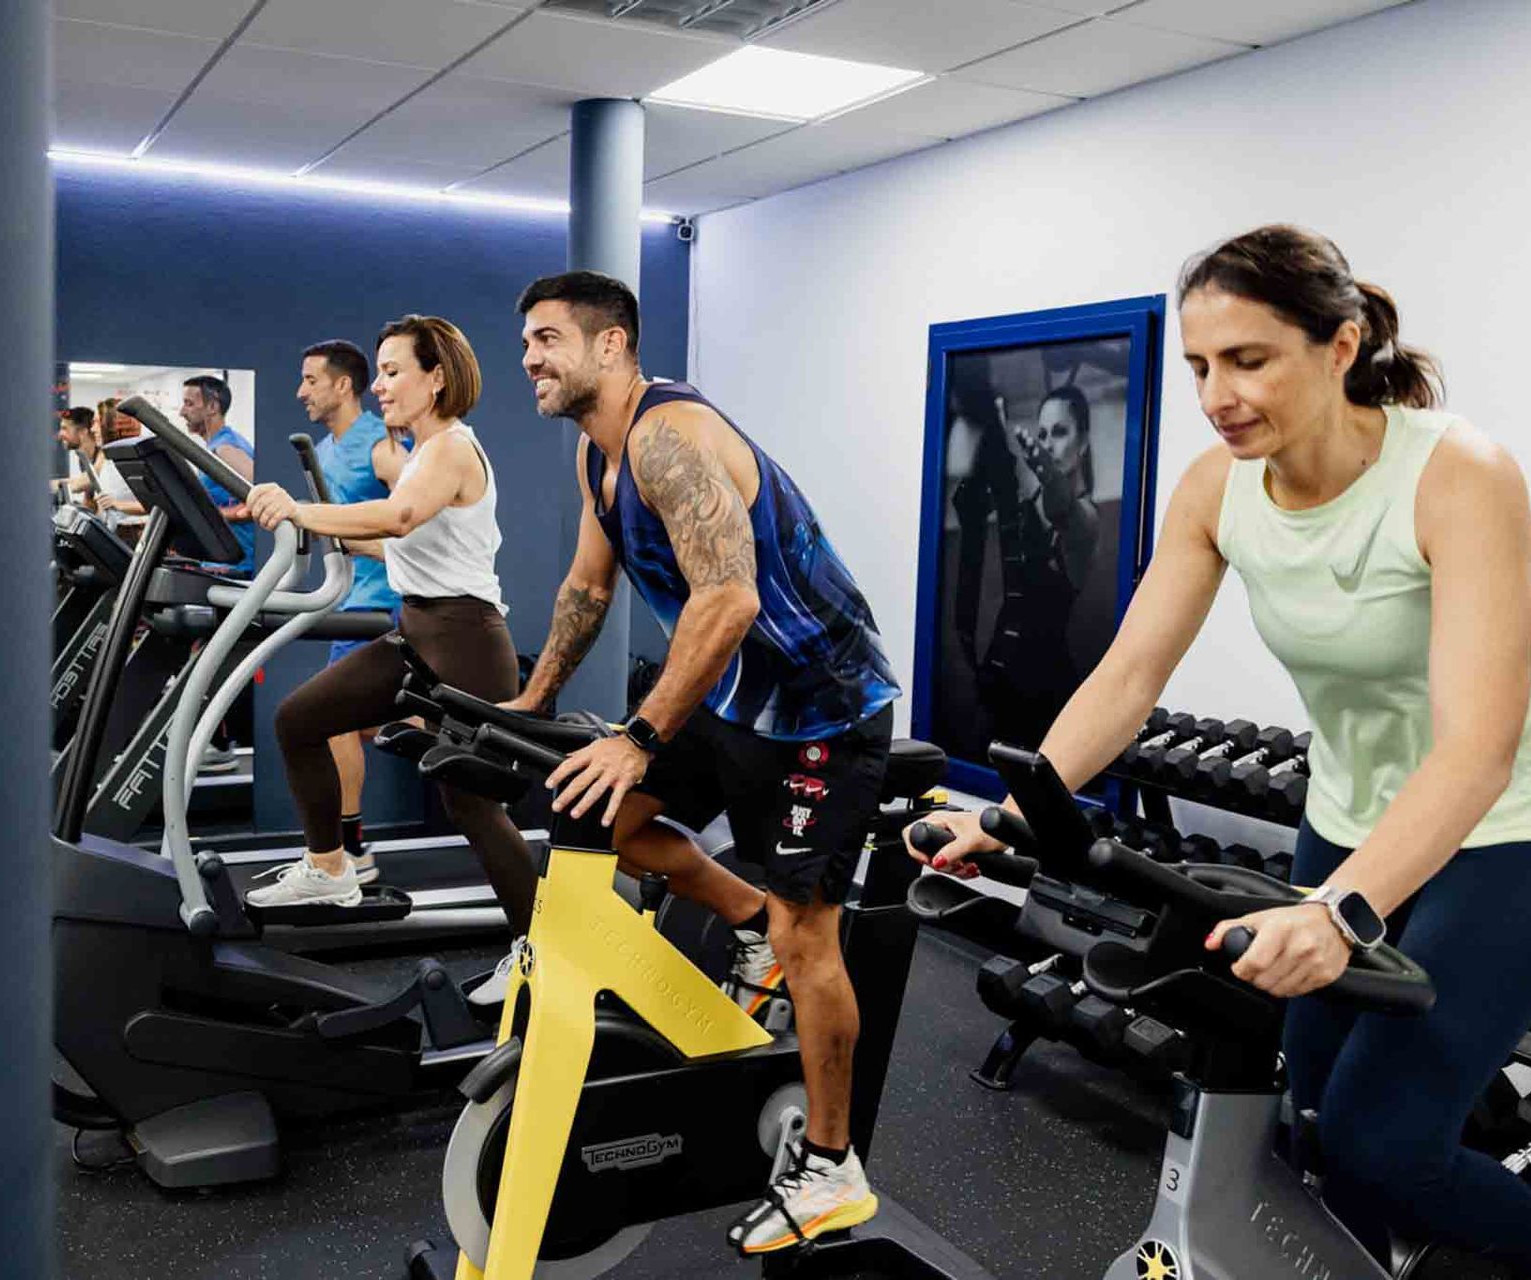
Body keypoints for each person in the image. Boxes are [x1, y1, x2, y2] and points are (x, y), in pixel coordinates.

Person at [912, 224, 1531, 1280]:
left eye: (1248, 359)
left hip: (1524, 826)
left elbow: (1478, 749)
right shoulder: (1216, 489)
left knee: (1385, 1135)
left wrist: (1339, 909)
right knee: (1309, 1118)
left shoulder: (1457, 474)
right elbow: (1128, 680)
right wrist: (1006, 811)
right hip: (1353, 811)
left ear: (1338, 346)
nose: (1218, 392)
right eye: (1199, 366)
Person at [511, 270, 902, 1254]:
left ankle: (831, 1161)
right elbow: (585, 588)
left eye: (549, 338)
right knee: (606, 815)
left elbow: (728, 598)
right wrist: (528, 701)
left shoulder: (664, 437)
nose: (530, 357)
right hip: (732, 694)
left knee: (813, 933)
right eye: (526, 341)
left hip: (823, 709)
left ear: (612, 346)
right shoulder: (598, 456)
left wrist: (638, 733)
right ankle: (745, 924)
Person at [242, 316, 542, 986]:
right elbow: (398, 540)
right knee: (300, 719)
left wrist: (299, 510)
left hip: (466, 642)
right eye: (378, 371)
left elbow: (397, 517)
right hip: (417, 634)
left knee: (471, 806)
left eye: (393, 370)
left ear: (436, 378)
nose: (379, 385)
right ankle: (329, 869)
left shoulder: (452, 449)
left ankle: (539, 954)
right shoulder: (422, 456)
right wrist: (327, 531)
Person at [298, 339, 408, 882]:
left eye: (311, 380)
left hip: (381, 606)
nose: (301, 391)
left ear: (344, 385)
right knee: (365, 722)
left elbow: (418, 525)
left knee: (330, 720)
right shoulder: (322, 450)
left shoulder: (381, 445)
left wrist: (359, 544)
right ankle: (460, 728)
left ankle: (350, 850)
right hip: (349, 603)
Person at [974, 383, 1109, 748]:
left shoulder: (1086, 518)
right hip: (999, 685)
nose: (1049, 443)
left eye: (1060, 432)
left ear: (1082, 443)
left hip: (1044, 698)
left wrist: (1049, 476)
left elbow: (1062, 509)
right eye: (1043, 434)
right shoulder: (1030, 499)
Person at [178, 374, 256, 575]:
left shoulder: (226, 448)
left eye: (189, 404)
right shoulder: (215, 446)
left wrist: (211, 515)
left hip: (237, 566)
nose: (181, 412)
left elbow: (263, 498)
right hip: (221, 560)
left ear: (212, 407)